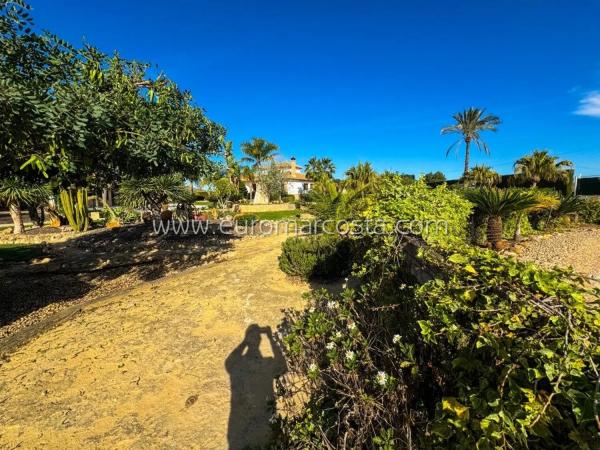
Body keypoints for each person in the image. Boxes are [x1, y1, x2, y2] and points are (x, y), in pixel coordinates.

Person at [225, 324, 286, 449]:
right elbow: (282, 366)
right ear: (260, 341)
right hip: (262, 418)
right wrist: (270, 338)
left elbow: (229, 363)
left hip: (246, 421)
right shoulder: (266, 363)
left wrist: (245, 342)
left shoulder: (240, 363)